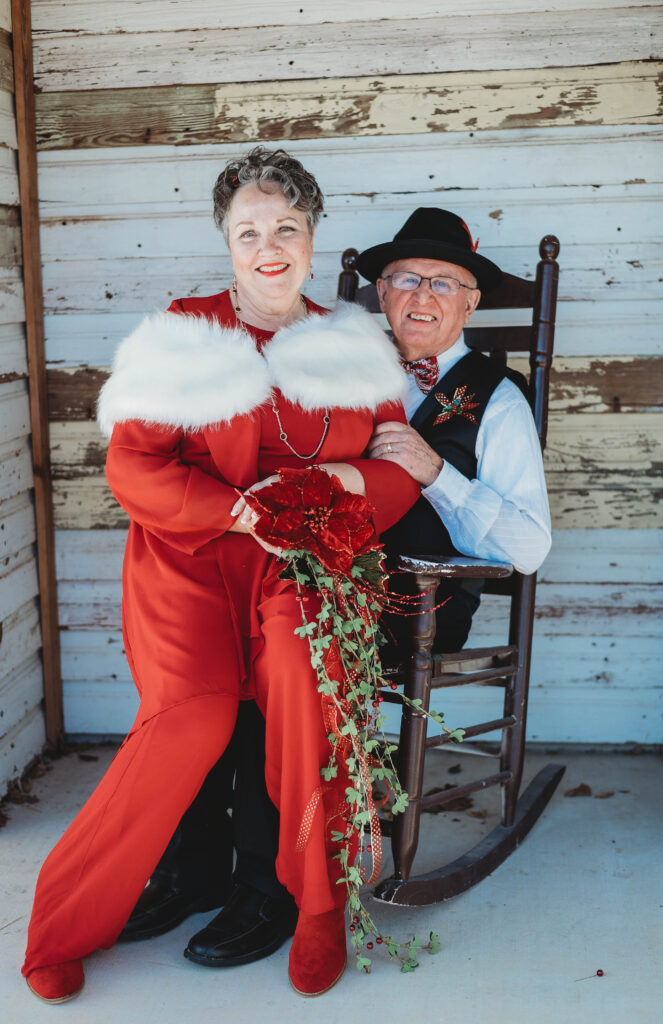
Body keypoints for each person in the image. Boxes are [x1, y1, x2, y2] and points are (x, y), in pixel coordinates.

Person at [21, 147, 420, 1003]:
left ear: (312, 237)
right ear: (226, 243)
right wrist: (241, 511)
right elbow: (132, 469)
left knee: (300, 695)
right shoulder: (183, 333)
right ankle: (68, 917)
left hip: (303, 570)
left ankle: (307, 905)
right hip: (192, 562)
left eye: (286, 227)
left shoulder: (354, 346)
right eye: (248, 231)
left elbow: (393, 475)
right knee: (190, 722)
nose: (267, 246)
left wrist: (327, 489)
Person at [360, 207, 552, 651]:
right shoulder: (346, 376)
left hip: (416, 611)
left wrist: (437, 474)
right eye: (408, 279)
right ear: (383, 292)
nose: (423, 297)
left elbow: (530, 548)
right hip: (324, 597)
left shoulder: (499, 398)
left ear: (470, 303)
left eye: (444, 283)